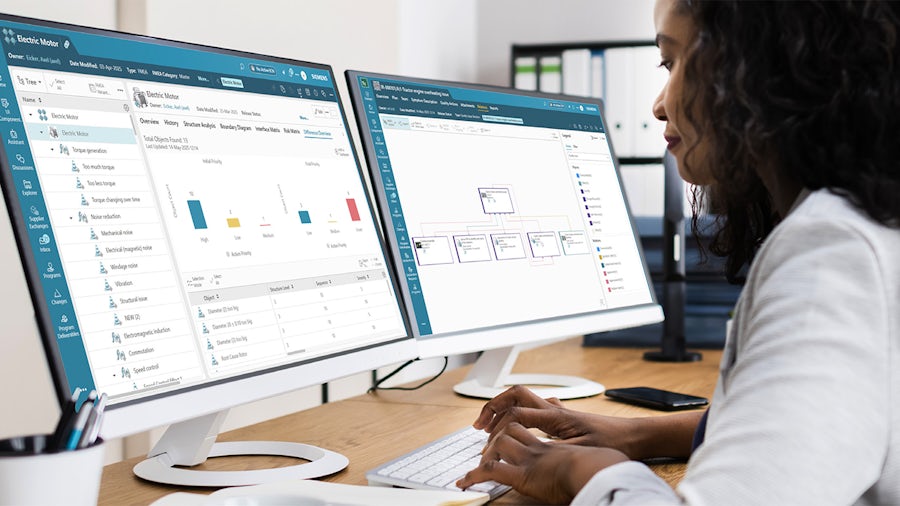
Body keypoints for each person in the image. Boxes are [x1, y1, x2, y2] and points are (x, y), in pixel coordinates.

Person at [457, 0, 900, 504]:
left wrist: (583, 473)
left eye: (671, 63)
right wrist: (630, 435)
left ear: (758, 66)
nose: (659, 104)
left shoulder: (834, 252)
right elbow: (817, 422)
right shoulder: (868, 224)